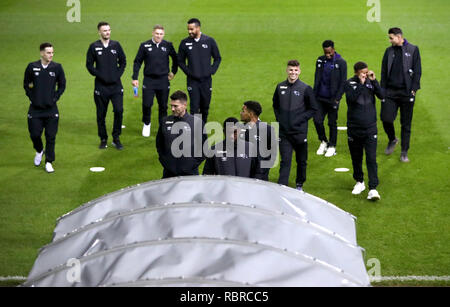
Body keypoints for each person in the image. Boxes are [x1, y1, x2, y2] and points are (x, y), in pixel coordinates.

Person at [273, 60, 317, 191]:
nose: (293, 73)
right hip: (284, 133)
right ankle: (282, 186)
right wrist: (280, 119)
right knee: (285, 160)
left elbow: (313, 109)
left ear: (299, 71)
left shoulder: (305, 88)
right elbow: (275, 105)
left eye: (295, 70)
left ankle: (299, 184)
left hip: (299, 132)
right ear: (287, 70)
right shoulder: (280, 87)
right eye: (291, 70)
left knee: (301, 161)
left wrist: (300, 120)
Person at [380, 27, 421, 162]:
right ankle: (392, 139)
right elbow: (384, 72)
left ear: (399, 37)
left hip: (406, 92)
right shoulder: (389, 51)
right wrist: (383, 90)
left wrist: (414, 89)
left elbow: (417, 71)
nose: (390, 40)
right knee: (386, 118)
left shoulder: (413, 50)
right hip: (390, 92)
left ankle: (404, 152)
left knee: (406, 124)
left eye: (391, 38)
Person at [23, 42, 66, 173]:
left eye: (52, 52)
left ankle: (49, 161)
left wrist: (55, 98)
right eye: (48, 52)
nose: (51, 55)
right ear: (41, 53)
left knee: (51, 136)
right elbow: (27, 84)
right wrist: (32, 97)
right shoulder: (32, 67)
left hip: (51, 109)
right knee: (35, 134)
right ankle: (39, 150)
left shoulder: (57, 67)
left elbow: (62, 85)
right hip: (35, 109)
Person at [344, 61, 384, 200]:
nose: (365, 75)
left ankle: (373, 188)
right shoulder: (349, 84)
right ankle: (359, 181)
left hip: (370, 128)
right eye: (363, 73)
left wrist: (375, 81)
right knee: (356, 157)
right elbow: (352, 100)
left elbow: (382, 96)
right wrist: (361, 84)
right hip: (354, 128)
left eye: (366, 72)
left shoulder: (370, 82)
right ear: (356, 72)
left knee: (371, 158)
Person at [86, 21, 127, 150]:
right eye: (105, 30)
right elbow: (89, 65)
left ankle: (116, 137)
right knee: (101, 115)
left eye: (109, 30)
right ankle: (103, 139)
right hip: (100, 87)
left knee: (119, 110)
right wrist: (99, 75)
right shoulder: (93, 47)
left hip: (116, 86)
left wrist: (117, 75)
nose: (107, 32)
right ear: (99, 32)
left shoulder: (116, 45)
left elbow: (123, 61)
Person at [132, 24, 178, 137]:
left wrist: (173, 71)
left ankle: (162, 126)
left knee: (163, 105)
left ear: (164, 34)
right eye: (157, 33)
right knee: (147, 104)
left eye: (161, 34)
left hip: (163, 80)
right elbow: (137, 61)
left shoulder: (168, 45)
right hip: (149, 80)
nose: (159, 36)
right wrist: (135, 77)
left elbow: (176, 59)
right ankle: (147, 123)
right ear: (152, 33)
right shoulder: (144, 45)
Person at [177, 18, 221, 123]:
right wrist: (189, 72)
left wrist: (211, 71)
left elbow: (217, 58)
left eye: (192, 29)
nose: (189, 32)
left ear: (198, 28)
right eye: (188, 29)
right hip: (193, 81)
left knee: (205, 106)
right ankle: (194, 128)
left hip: (206, 81)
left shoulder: (209, 41)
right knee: (194, 107)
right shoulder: (184, 43)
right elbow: (180, 61)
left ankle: (202, 126)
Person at [156, 90, 207, 178]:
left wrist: (191, 164)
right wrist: (165, 162)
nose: (172, 109)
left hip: (190, 173)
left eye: (175, 106)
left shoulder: (196, 123)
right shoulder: (165, 121)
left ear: (184, 105)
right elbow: (159, 144)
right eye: (171, 106)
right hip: (168, 173)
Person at [313, 40, 347, 157]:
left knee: (332, 122)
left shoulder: (341, 62)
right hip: (319, 98)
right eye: (325, 52)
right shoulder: (320, 60)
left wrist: (337, 98)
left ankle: (332, 146)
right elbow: (316, 77)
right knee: (317, 120)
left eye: (329, 52)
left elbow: (343, 82)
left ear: (333, 49)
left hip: (332, 99)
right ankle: (323, 141)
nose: (327, 55)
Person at [239, 100, 277, 181]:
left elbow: (273, 153)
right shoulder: (238, 129)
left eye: (243, 111)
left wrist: (262, 171)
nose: (241, 113)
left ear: (251, 114)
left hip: (260, 176)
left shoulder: (268, 129)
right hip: (242, 173)